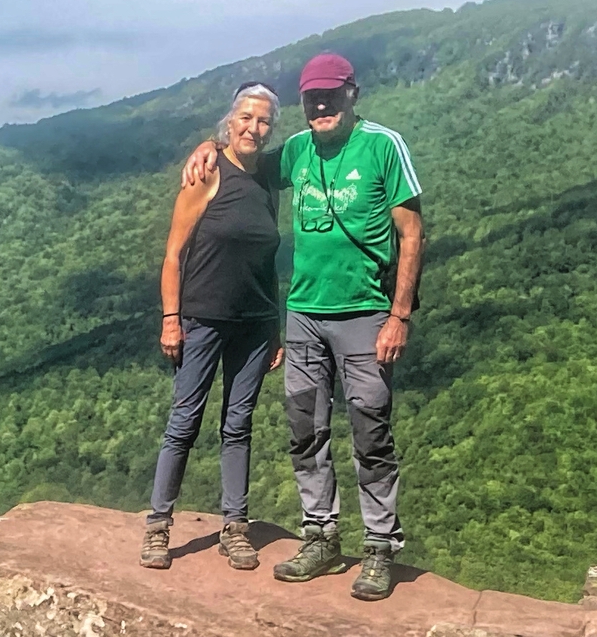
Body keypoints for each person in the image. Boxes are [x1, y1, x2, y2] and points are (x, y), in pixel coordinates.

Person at [182, 51, 423, 599]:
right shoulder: (295, 150)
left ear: (351, 94)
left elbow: (412, 233)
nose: (320, 105)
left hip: (365, 313)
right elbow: (239, 160)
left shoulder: (383, 146)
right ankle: (321, 535)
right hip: (304, 315)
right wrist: (207, 146)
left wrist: (399, 316)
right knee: (305, 429)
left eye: (330, 94)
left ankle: (380, 548)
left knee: (371, 431)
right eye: (311, 97)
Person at [144, 82, 284, 571]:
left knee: (238, 425)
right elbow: (173, 255)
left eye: (263, 120)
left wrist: (276, 327)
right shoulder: (207, 172)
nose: (254, 127)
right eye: (246, 117)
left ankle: (235, 527)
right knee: (184, 422)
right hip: (201, 318)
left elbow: (268, 260)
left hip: (255, 324)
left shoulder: (268, 177)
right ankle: (158, 527)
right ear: (230, 122)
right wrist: (170, 319)